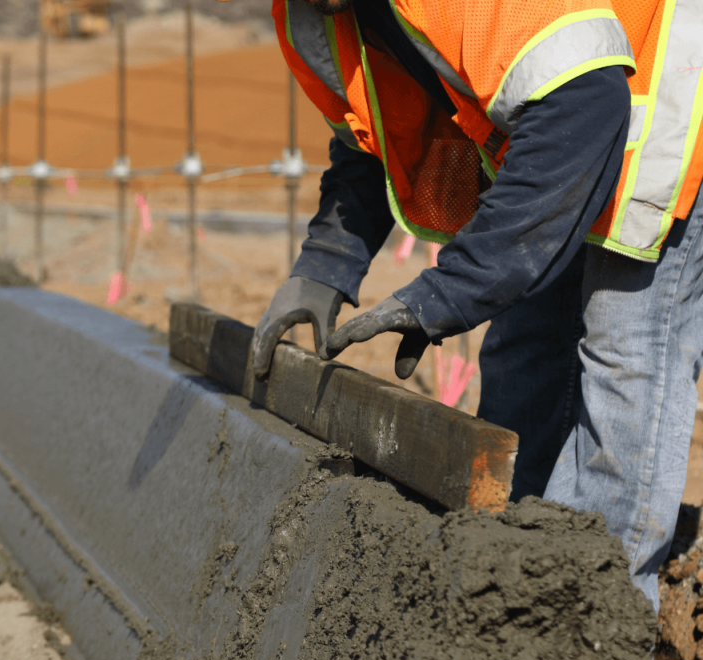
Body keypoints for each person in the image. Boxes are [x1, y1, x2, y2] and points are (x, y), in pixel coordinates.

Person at [232, 0, 703, 613]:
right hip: (557, 125)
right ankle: (510, 595)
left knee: (624, 351)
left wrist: (455, 288)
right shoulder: (316, 13)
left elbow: (587, 103)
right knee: (525, 348)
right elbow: (381, 127)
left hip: (663, 90)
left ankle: (594, 632)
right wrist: (326, 262)